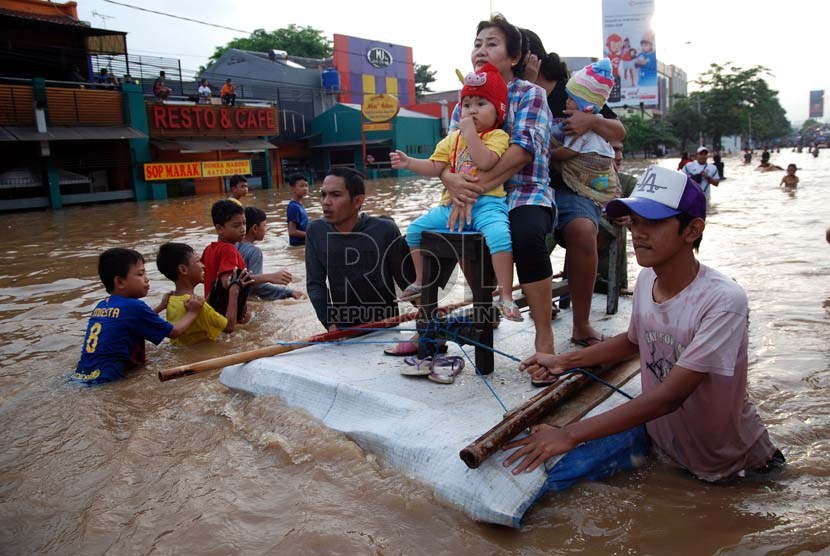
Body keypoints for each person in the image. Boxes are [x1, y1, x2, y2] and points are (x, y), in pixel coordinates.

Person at [504, 165, 784, 481]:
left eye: (653, 222)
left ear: (692, 230)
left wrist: (568, 434)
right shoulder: (648, 277)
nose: (638, 233)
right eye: (635, 222)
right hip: (672, 454)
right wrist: (563, 361)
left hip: (736, 468)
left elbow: (670, 396)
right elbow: (635, 341)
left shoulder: (723, 301)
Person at [440, 16, 554, 353]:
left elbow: (521, 153)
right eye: (477, 43)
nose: (481, 50)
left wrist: (470, 190)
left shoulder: (530, 95)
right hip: (470, 194)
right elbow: (446, 154)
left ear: (514, 57)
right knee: (448, 228)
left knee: (527, 234)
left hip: (524, 192)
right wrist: (450, 181)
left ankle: (544, 335)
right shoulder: (465, 100)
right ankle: (474, 311)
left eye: (492, 43)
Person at [390, 62, 522, 321]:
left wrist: (470, 132)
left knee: (500, 236)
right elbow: (435, 166)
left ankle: (506, 296)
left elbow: (485, 162)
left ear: (498, 112)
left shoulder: (497, 136)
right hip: (450, 207)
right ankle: (419, 280)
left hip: (487, 204)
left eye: (481, 104)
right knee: (415, 230)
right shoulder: (452, 139)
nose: (472, 110)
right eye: (467, 104)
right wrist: (410, 164)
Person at [523, 27, 626, 354]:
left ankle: (581, 325)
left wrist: (591, 122)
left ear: (531, 57)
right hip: (521, 184)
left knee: (583, 230)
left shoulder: (571, 93)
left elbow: (619, 131)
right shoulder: (507, 92)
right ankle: (496, 308)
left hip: (569, 188)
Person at [72, 248, 203, 385]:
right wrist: (192, 312)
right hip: (107, 379)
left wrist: (160, 307)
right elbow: (174, 332)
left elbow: (133, 322)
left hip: (83, 374)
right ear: (120, 282)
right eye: (140, 274)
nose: (147, 278)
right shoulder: (134, 307)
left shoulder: (102, 305)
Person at [305, 168, 414, 331]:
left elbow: (407, 281)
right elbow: (315, 284)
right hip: (343, 328)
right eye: (323, 194)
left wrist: (428, 312)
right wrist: (330, 324)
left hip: (386, 326)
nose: (325, 202)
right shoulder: (316, 231)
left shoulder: (385, 230)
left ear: (357, 201)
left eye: (335, 195)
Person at [156, 242, 243, 346]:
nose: (203, 265)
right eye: (198, 261)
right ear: (183, 270)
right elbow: (229, 327)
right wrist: (234, 291)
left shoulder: (169, 300)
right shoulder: (198, 307)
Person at [201, 200, 252, 323]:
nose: (242, 229)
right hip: (227, 315)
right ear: (219, 229)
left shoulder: (209, 249)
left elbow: (202, 276)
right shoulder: (229, 249)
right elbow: (227, 282)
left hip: (212, 312)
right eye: (236, 225)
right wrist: (268, 277)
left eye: (244, 223)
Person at [238, 207, 304, 300]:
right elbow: (257, 287)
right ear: (255, 228)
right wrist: (288, 292)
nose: (266, 228)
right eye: (264, 225)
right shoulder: (255, 252)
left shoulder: (234, 244)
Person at [286, 173, 309, 247]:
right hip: (298, 245)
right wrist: (310, 235)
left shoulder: (299, 204)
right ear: (293, 188)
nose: (305, 188)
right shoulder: (293, 207)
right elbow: (292, 231)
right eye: (301, 186)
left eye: (306, 185)